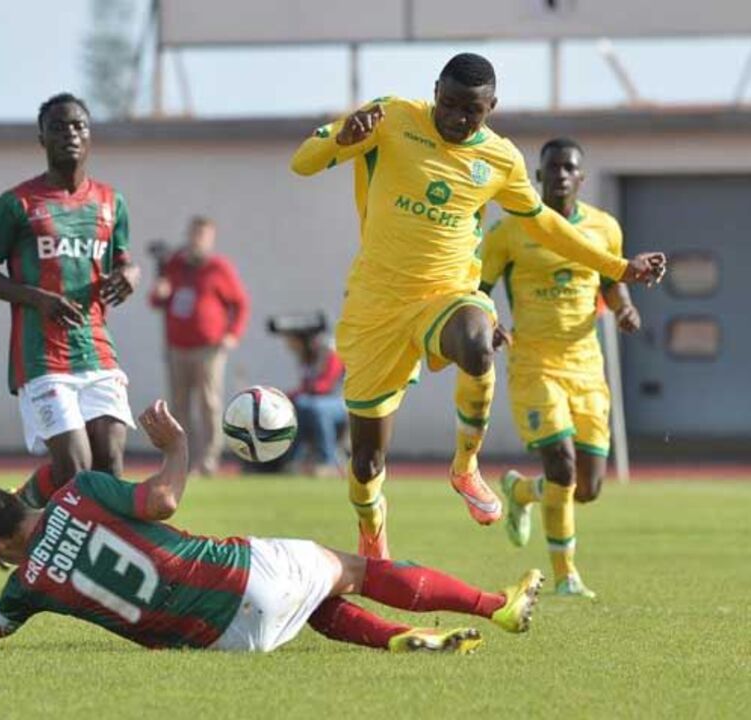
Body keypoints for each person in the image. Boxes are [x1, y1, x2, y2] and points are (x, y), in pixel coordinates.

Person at [289, 52, 666, 559]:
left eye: (473, 111)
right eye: (449, 105)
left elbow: (543, 223)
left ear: (492, 106)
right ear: (435, 91)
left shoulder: (500, 159)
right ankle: (372, 543)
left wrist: (617, 268)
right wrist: (341, 138)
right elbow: (302, 162)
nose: (458, 119)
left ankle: (465, 467)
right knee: (366, 462)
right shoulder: (392, 117)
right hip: (376, 305)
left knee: (477, 345)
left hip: (447, 293)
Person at [0, 400, 544, 655]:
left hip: (227, 644)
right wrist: (179, 446)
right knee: (353, 570)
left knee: (315, 604)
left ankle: (400, 641)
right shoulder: (81, 493)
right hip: (241, 577)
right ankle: (497, 607)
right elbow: (161, 501)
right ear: (21, 506)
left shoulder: (28, 585)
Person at [480, 138, 642, 599]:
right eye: (552, 168)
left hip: (587, 367)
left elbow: (613, 282)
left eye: (569, 168)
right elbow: (479, 287)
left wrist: (625, 308)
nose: (561, 175)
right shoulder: (510, 231)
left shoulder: (604, 228)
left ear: (581, 177)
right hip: (535, 364)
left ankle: (522, 493)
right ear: (538, 176)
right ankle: (566, 575)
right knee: (562, 464)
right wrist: (490, 324)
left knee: (586, 488)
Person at [0, 93, 140, 509]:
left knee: (110, 462)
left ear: (90, 136)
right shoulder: (17, 204)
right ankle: (25, 511)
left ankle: (98, 558)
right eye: (58, 127)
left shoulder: (110, 201)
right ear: (41, 138)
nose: (70, 134)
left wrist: (131, 275)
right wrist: (37, 299)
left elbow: (124, 260)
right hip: (42, 356)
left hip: (97, 350)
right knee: (76, 468)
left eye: (79, 126)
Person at [148, 216, 250, 475]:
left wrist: (232, 335)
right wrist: (159, 292)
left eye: (203, 236)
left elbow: (240, 304)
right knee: (179, 404)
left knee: (208, 403)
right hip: (177, 347)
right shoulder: (175, 265)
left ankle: (209, 459)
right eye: (194, 234)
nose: (197, 240)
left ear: (211, 239)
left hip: (209, 348)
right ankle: (184, 458)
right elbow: (157, 301)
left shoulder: (219, 268)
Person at [284, 332, 346, 474]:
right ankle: (292, 460)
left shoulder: (331, 355)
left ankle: (328, 461)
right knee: (297, 408)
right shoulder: (307, 359)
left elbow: (325, 386)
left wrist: (297, 394)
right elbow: (305, 385)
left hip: (339, 402)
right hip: (314, 401)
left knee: (317, 409)